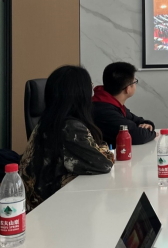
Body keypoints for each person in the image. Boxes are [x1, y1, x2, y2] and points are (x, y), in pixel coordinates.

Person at [19, 66, 114, 211]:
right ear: (80, 93)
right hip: (53, 208)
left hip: (43, 204)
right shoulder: (69, 128)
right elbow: (104, 164)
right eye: (90, 86)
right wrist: (104, 149)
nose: (92, 91)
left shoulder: (49, 122)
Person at [93, 62, 156, 146]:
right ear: (127, 89)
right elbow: (138, 136)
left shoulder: (109, 101)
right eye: (135, 82)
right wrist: (153, 133)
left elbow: (138, 120)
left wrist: (149, 124)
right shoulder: (104, 110)